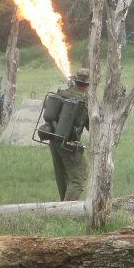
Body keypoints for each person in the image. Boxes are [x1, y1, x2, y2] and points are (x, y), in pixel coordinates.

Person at [49, 68, 91, 201]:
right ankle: (67, 209)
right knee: (78, 179)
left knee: (62, 178)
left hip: (54, 140)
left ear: (74, 81)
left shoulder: (62, 93)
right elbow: (90, 126)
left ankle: (62, 206)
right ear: (88, 84)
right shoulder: (85, 100)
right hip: (69, 143)